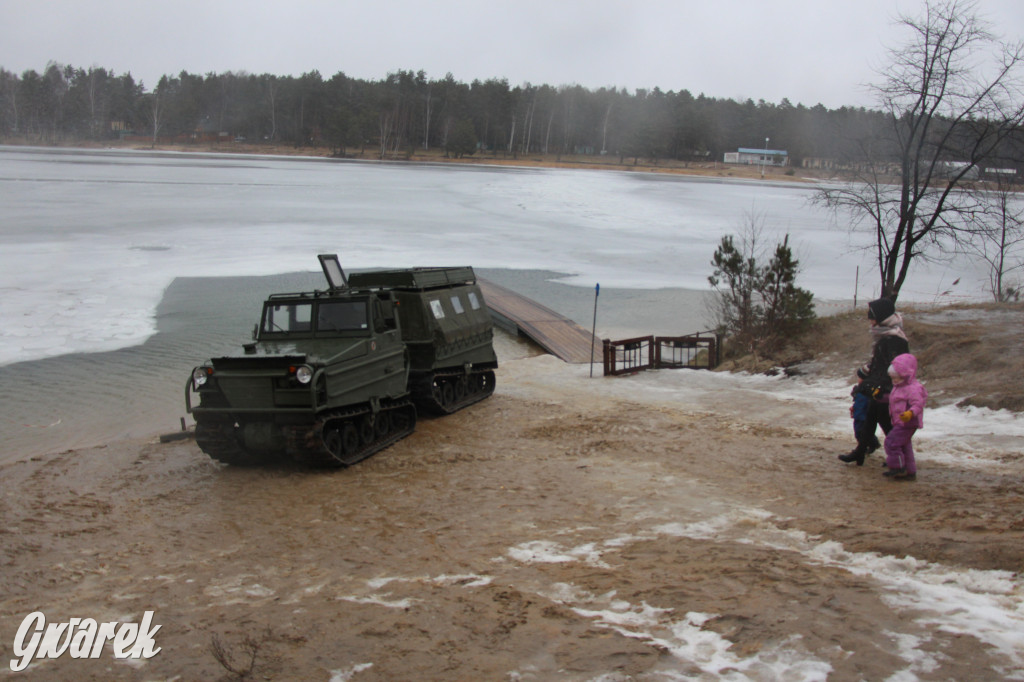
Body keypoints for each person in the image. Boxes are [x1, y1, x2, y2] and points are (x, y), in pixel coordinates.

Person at [838, 297, 909, 466]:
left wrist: (878, 382)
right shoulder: (885, 336)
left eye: (871, 317)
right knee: (870, 420)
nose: (870, 321)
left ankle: (899, 456)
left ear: (880, 317)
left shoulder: (894, 339)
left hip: (887, 388)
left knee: (886, 423)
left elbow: (897, 365)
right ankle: (860, 452)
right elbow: (879, 362)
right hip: (879, 385)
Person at [883, 353, 927, 481]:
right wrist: (881, 397)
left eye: (897, 378)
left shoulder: (913, 388)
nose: (894, 381)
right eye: (893, 378)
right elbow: (894, 400)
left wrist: (910, 413)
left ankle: (898, 467)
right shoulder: (899, 387)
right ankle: (909, 471)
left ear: (907, 374)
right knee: (904, 445)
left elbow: (918, 404)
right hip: (900, 421)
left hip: (908, 422)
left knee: (891, 442)